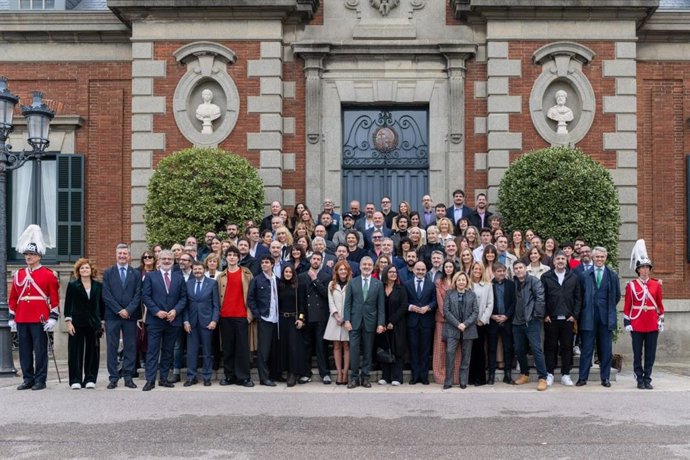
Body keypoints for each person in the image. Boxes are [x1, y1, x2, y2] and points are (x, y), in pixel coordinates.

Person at [9, 225, 61, 391]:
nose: (28, 257)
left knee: (40, 351)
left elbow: (53, 298)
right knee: (24, 351)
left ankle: (40, 379)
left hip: (40, 317)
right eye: (26, 254)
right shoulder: (19, 275)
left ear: (39, 256)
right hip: (22, 316)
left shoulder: (48, 274)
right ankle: (27, 378)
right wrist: (12, 317)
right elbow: (13, 298)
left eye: (32, 254)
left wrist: (53, 317)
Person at [142, 249, 187, 391]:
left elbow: (183, 297)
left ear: (173, 261)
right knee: (153, 351)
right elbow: (146, 297)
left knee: (168, 351)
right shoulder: (151, 276)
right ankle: (150, 380)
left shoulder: (179, 277)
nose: (167, 261)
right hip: (155, 320)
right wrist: (156, 311)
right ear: (159, 261)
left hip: (173, 320)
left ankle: (163, 379)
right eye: (164, 259)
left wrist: (175, 311)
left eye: (169, 259)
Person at [577, 246, 620, 388]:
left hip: (606, 318)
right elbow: (580, 296)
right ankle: (582, 378)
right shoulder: (584, 275)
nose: (600, 259)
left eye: (602, 257)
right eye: (597, 257)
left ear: (605, 258)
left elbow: (617, 296)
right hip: (588, 317)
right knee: (587, 349)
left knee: (606, 350)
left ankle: (605, 378)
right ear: (593, 258)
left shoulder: (612, 275)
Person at [625, 240, 665, 390]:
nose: (645, 270)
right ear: (638, 269)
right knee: (637, 353)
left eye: (647, 267)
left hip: (652, 323)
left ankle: (647, 378)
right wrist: (627, 322)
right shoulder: (632, 285)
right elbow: (628, 306)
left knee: (651, 353)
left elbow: (660, 305)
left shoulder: (656, 285)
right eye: (642, 267)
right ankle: (639, 377)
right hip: (637, 322)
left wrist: (661, 320)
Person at [102, 243, 142, 389]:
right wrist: (119, 310)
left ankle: (128, 377)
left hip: (130, 317)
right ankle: (113, 378)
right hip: (112, 316)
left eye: (125, 254)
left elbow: (138, 294)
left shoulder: (136, 273)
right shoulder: (108, 273)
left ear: (129, 256)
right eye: (120, 254)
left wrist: (129, 310)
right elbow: (106, 294)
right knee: (112, 347)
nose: (122, 256)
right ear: (116, 255)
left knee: (130, 346)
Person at [343, 256, 385, 388]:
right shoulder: (352, 282)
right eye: (364, 264)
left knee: (368, 351)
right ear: (360, 266)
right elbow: (347, 304)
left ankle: (365, 377)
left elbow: (381, 306)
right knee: (354, 350)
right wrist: (347, 320)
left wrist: (380, 323)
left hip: (370, 322)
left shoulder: (378, 284)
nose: (366, 267)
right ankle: (354, 378)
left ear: (372, 267)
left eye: (369, 265)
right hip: (354, 322)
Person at [541, 251, 581, 387]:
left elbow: (578, 298)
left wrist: (574, 315)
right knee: (550, 347)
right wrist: (545, 314)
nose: (560, 261)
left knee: (567, 348)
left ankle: (565, 374)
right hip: (551, 319)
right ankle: (549, 374)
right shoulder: (546, 277)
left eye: (563, 259)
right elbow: (542, 298)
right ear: (553, 261)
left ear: (566, 261)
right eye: (558, 258)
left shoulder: (573, 277)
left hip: (567, 320)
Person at [217, 247, 254, 387]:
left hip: (241, 315)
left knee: (242, 348)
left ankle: (244, 377)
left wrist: (250, 315)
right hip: (225, 316)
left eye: (234, 255)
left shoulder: (246, 274)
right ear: (226, 258)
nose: (232, 257)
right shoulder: (221, 277)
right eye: (229, 255)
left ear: (239, 258)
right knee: (228, 348)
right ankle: (229, 376)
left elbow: (251, 296)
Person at [64, 258, 103, 389]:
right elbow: (67, 305)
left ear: (91, 270)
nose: (84, 270)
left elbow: (101, 305)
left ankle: (90, 378)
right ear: (78, 271)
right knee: (75, 351)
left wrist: (101, 322)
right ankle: (75, 379)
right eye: (82, 268)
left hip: (93, 323)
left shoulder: (98, 286)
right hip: (77, 323)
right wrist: (68, 322)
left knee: (93, 351)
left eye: (86, 268)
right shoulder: (73, 286)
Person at [511, 260, 549, 391]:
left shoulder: (534, 281)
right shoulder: (514, 282)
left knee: (537, 350)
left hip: (531, 321)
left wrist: (536, 316)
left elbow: (540, 299)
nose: (518, 270)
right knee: (519, 350)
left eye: (520, 267)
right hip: (517, 322)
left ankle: (543, 378)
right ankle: (524, 374)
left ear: (525, 269)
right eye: (516, 268)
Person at [182, 261, 219, 387]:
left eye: (200, 269)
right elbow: (185, 305)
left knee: (207, 351)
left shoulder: (212, 283)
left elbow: (216, 305)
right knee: (192, 351)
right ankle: (191, 377)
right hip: (191, 323)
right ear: (192, 270)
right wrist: (185, 321)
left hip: (207, 322)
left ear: (204, 270)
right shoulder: (188, 284)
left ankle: (207, 377)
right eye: (195, 269)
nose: (197, 271)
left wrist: (214, 320)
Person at [299, 252, 332, 384]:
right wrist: (301, 317)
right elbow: (300, 298)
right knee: (306, 347)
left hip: (321, 316)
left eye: (319, 259)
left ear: (321, 261)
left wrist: (315, 280)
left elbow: (326, 294)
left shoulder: (326, 276)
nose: (316, 261)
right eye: (314, 259)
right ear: (310, 260)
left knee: (321, 346)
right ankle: (306, 373)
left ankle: (325, 373)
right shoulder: (302, 276)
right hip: (306, 316)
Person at [247, 256, 281, 387]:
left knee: (274, 349)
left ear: (272, 264)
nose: (264, 265)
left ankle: (274, 375)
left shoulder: (277, 280)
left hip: (277, 319)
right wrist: (258, 315)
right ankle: (264, 378)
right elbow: (250, 299)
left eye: (267, 262)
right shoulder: (256, 280)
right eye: (262, 263)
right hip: (265, 318)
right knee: (263, 351)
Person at [442, 272, 479, 389]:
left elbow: (475, 312)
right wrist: (458, 324)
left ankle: (463, 381)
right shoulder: (449, 293)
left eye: (463, 280)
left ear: (467, 281)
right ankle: (448, 382)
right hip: (452, 329)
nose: (461, 282)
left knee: (466, 357)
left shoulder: (472, 294)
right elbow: (446, 311)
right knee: (450, 355)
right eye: (459, 280)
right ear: (455, 281)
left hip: (468, 330)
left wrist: (465, 324)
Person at [405, 260, 437, 385]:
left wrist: (428, 307)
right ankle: (415, 376)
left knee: (424, 350)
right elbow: (404, 302)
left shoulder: (431, 285)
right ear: (414, 270)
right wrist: (410, 307)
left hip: (426, 322)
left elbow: (435, 302)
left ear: (426, 271)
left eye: (423, 270)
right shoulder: (407, 284)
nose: (420, 272)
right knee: (413, 350)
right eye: (418, 269)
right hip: (412, 322)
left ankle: (424, 377)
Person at [278, 264, 307, 386]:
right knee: (282, 346)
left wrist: (301, 319)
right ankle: (280, 371)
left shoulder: (298, 286)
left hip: (293, 320)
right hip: (281, 319)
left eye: (290, 272)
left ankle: (292, 373)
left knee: (293, 347)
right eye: (286, 272)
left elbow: (302, 304)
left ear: (293, 273)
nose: (288, 274)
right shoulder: (279, 285)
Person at [378, 264, 408, 386]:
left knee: (397, 350)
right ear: (385, 273)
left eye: (395, 272)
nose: (393, 274)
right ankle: (386, 376)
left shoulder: (401, 289)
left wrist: (392, 322)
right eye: (390, 272)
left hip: (397, 325)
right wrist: (383, 323)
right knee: (384, 349)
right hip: (383, 325)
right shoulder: (380, 287)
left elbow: (403, 306)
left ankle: (397, 377)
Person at [432, 260, 460, 385]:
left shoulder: (458, 281)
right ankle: (440, 376)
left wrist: (456, 318)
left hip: (456, 321)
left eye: (450, 267)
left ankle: (455, 377)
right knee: (440, 348)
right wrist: (448, 315)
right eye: (446, 267)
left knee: (455, 349)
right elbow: (440, 302)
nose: (448, 269)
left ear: (454, 268)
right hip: (442, 320)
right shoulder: (438, 282)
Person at [488, 263, 516, 385]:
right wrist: (492, 315)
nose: (502, 273)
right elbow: (486, 302)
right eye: (499, 271)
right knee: (491, 348)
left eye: (504, 271)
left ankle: (508, 375)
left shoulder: (511, 284)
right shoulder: (489, 285)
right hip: (493, 320)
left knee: (508, 348)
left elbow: (514, 302)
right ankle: (491, 375)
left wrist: (506, 316)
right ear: (494, 272)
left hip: (507, 320)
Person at [324, 261, 351, 385]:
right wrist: (336, 315)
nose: (343, 272)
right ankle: (339, 373)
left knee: (346, 345)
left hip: (347, 319)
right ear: (336, 271)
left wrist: (345, 318)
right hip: (335, 319)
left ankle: (345, 373)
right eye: (340, 269)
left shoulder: (352, 283)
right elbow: (330, 301)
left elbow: (353, 302)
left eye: (345, 269)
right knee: (336, 346)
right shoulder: (331, 284)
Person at [468, 261, 493, 386]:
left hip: (480, 323)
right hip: (468, 324)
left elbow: (490, 304)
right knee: (469, 351)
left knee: (479, 351)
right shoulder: (467, 284)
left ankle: (480, 378)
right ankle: (470, 377)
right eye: (474, 269)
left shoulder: (488, 285)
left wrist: (482, 320)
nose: (477, 271)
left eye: (479, 269)